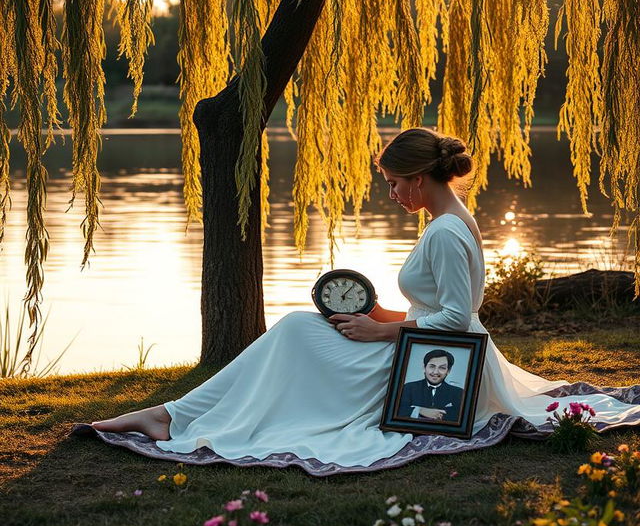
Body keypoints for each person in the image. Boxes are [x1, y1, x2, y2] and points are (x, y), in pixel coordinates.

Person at [85, 127, 640, 474]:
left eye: (396, 184)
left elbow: (456, 316)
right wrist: (381, 315)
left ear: (421, 179)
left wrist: (381, 333)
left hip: (430, 355)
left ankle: (171, 417)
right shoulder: (447, 220)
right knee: (299, 331)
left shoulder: (445, 231)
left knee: (294, 334)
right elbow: (443, 309)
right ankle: (172, 415)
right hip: (419, 340)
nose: (393, 195)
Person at [398, 349, 463, 422]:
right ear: (424, 367)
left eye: (442, 368)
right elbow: (399, 411)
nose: (435, 372)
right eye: (432, 366)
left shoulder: (459, 392)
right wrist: (420, 410)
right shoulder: (408, 388)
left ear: (448, 371)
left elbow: (460, 416)